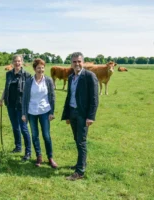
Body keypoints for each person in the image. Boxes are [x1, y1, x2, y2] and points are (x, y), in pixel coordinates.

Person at [61, 52, 99, 181]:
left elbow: (94, 98)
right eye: (74, 62)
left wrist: (91, 116)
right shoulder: (71, 77)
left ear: (83, 62)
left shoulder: (90, 76)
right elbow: (69, 97)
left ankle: (80, 172)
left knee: (81, 141)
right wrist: (67, 114)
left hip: (83, 114)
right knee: (77, 140)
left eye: (79, 61)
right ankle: (80, 164)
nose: (77, 64)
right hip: (72, 112)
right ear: (71, 63)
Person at [22, 58, 58, 168]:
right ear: (34, 69)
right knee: (35, 135)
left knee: (46, 135)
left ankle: (50, 157)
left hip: (45, 111)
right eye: (38, 68)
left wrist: (52, 112)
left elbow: (52, 97)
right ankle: (39, 156)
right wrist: (24, 114)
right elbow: (25, 98)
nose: (40, 70)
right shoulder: (29, 82)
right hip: (32, 112)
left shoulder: (48, 80)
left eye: (42, 68)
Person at [0, 55, 32, 161]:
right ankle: (18, 147)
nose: (17, 63)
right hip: (10, 105)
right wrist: (1, 99)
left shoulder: (27, 75)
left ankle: (28, 152)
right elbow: (6, 88)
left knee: (24, 128)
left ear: (22, 62)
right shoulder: (9, 74)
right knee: (15, 127)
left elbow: (30, 91)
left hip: (22, 106)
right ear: (12, 62)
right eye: (15, 61)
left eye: (19, 61)